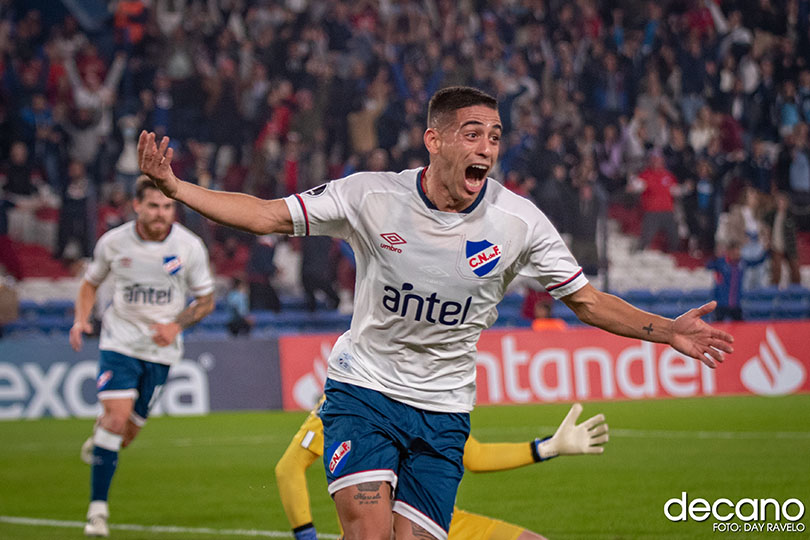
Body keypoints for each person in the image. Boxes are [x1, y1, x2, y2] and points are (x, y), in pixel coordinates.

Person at [138, 86, 733, 540]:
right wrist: (177, 187)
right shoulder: (370, 196)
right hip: (364, 393)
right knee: (367, 533)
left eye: (495, 137)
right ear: (436, 140)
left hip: (444, 412)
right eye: (473, 134)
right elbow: (266, 214)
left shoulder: (519, 223)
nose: (487, 149)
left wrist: (665, 331)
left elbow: (588, 300)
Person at [70, 175, 215, 537]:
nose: (161, 213)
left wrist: (176, 326)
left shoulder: (190, 246)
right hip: (119, 342)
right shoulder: (114, 243)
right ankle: (97, 512)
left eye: (167, 207)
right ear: (136, 205)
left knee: (128, 433)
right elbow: (90, 284)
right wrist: (80, 319)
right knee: (116, 421)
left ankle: (102, 437)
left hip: (162, 350)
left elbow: (206, 301)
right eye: (153, 205)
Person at [275, 398, 608, 540]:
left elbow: (473, 455)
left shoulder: (436, 392)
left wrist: (546, 447)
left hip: (443, 523)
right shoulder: (350, 399)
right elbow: (288, 468)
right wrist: (306, 534)